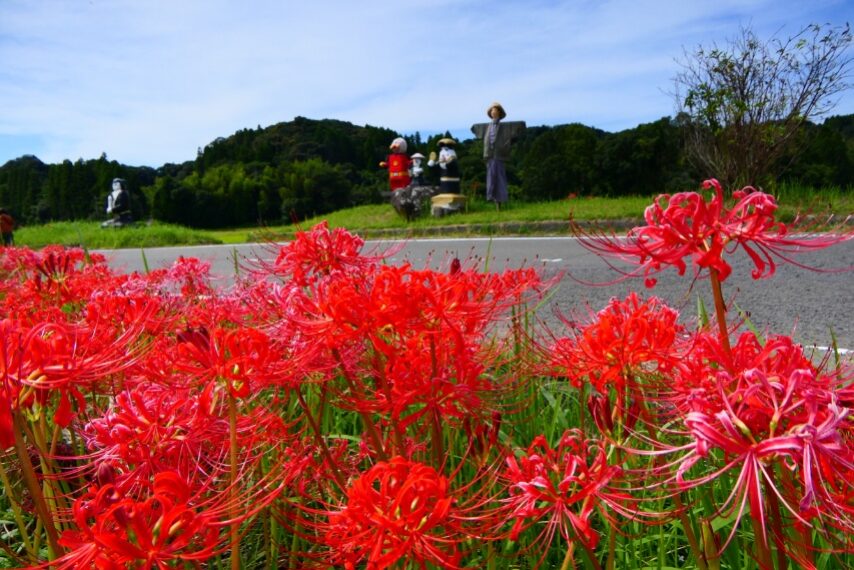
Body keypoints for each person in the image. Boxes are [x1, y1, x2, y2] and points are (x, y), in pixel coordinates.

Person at [471, 102, 525, 210]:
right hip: (490, 156)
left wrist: (508, 143)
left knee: (500, 177)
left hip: (499, 155)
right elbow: (474, 129)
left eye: (495, 110)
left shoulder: (504, 127)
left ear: (499, 112)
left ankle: (500, 201)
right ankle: (493, 198)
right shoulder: (487, 126)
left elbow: (520, 127)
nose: (493, 112)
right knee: (491, 177)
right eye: (491, 110)